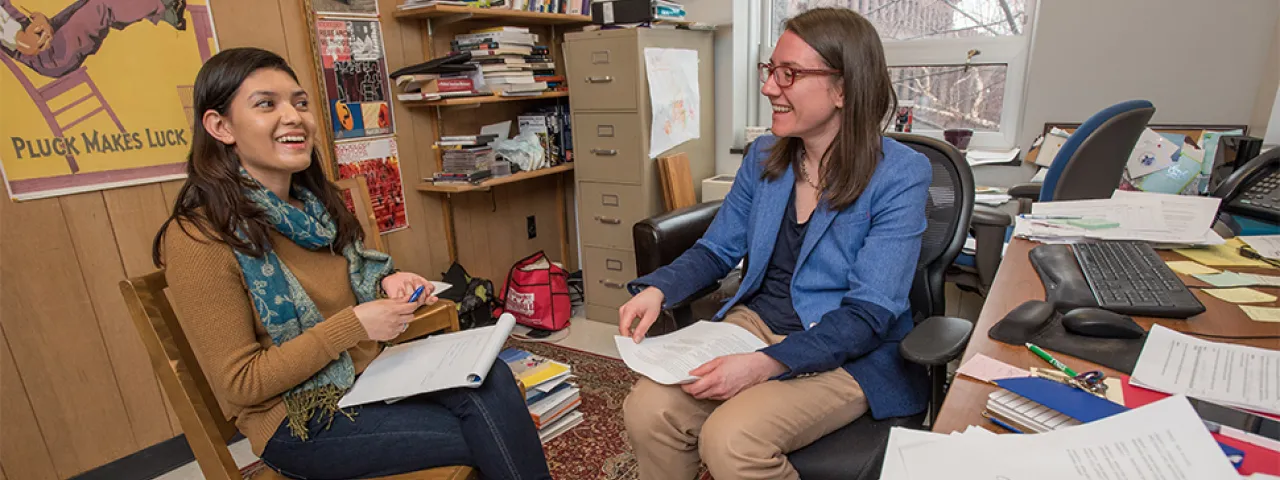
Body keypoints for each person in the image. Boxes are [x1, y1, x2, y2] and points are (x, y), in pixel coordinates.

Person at [153, 47, 552, 480]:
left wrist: (389, 281)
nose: (294, 117)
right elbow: (241, 383)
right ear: (220, 126)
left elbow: (355, 272)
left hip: (368, 381)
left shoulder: (314, 207)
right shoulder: (198, 236)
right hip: (299, 421)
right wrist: (355, 325)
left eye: (300, 102)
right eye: (267, 104)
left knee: (492, 380)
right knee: (495, 429)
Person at [618, 8, 932, 480]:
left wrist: (765, 364)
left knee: (732, 439)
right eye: (771, 71)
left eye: (790, 74)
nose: (768, 88)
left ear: (844, 87)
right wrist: (659, 289)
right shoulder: (765, 156)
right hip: (754, 326)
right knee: (648, 410)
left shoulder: (900, 174)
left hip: (848, 350)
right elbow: (716, 250)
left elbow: (869, 314)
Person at [1, 0, 187, 78]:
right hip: (49, 54)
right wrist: (36, 24)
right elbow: (28, 44)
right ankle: (162, 4)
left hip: (51, 24)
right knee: (101, 6)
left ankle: (160, 10)